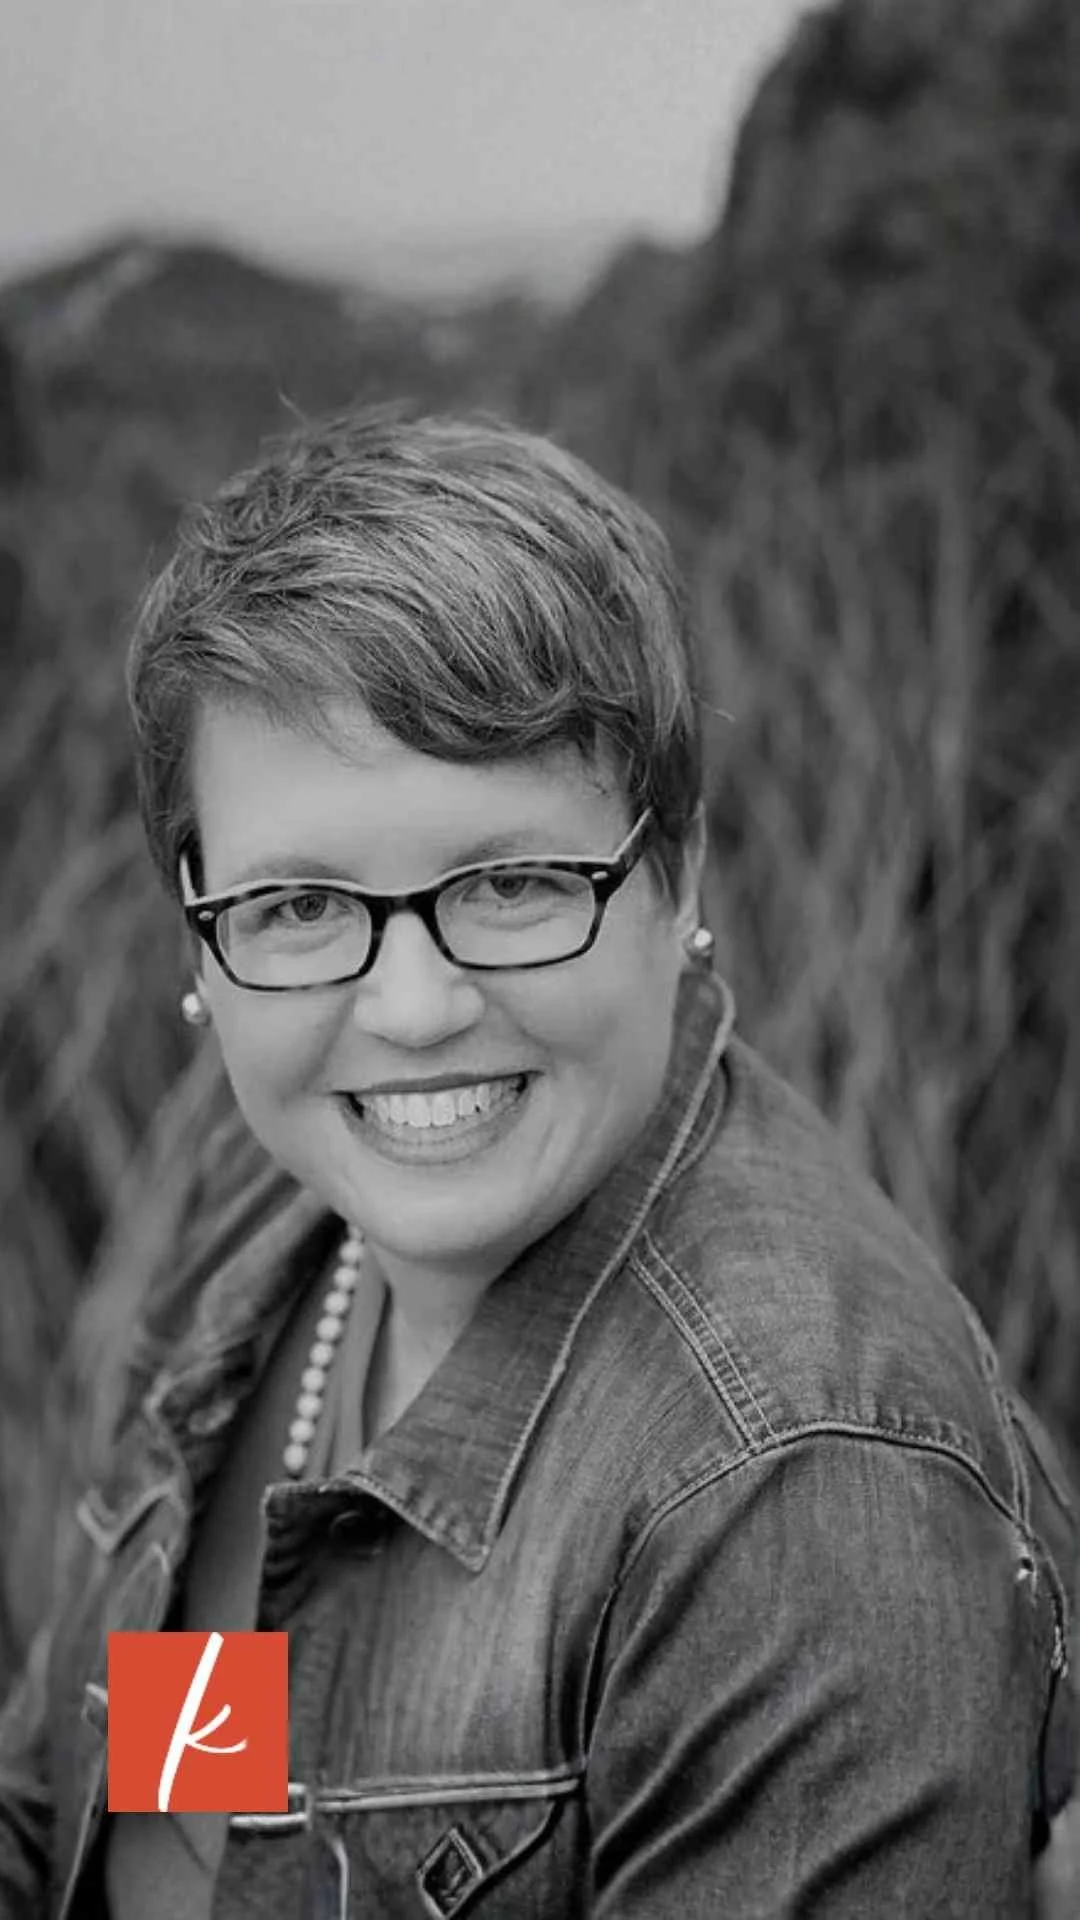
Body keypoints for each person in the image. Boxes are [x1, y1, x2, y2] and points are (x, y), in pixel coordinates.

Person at [0, 406, 1075, 1917]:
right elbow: (121, 1818)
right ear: (202, 934)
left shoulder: (796, 1506)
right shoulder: (282, 1228)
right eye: (300, 906)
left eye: (508, 883)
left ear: (674, 874)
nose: (416, 1012)